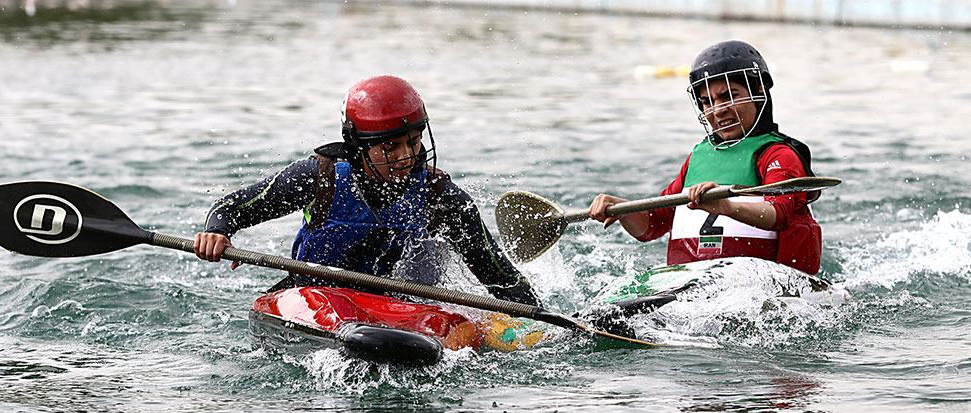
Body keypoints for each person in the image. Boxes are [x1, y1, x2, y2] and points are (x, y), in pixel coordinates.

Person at [194, 75, 540, 305]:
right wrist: (216, 233)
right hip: (315, 298)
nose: (407, 156)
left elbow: (501, 277)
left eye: (414, 141)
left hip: (402, 309)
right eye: (391, 148)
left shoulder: (442, 197)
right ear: (359, 148)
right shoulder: (321, 177)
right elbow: (233, 207)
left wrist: (544, 321)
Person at [589, 40, 823, 275]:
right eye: (707, 101)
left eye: (730, 96)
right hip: (696, 283)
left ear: (759, 90)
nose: (718, 110)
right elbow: (653, 226)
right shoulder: (698, 157)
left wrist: (727, 207)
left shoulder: (779, 154)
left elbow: (779, 213)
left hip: (770, 286)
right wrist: (623, 209)